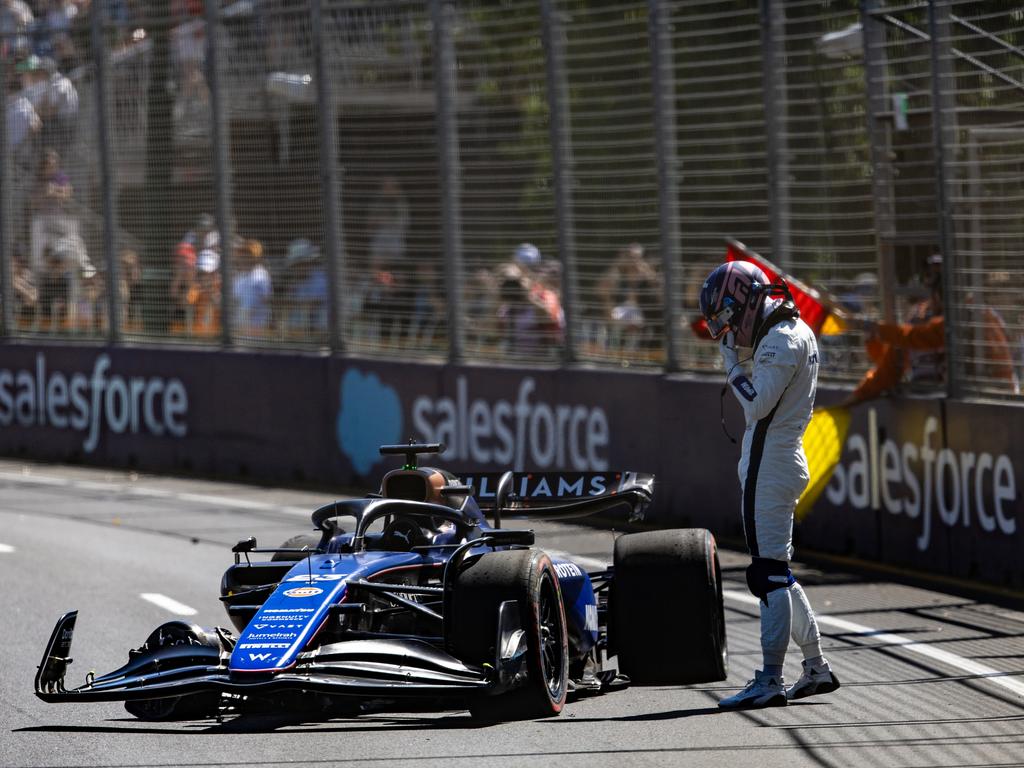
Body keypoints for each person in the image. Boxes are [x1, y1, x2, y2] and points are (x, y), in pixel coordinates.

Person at [699, 260, 840, 710]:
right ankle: (816, 666)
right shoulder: (793, 331)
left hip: (771, 463)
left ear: (744, 302)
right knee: (778, 571)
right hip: (779, 459)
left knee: (767, 575)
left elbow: (757, 403)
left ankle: (770, 678)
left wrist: (729, 364)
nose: (729, 333)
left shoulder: (780, 339)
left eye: (726, 319)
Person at [843, 253, 1019, 405]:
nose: (941, 290)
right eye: (935, 282)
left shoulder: (976, 315)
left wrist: (876, 328)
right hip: (929, 405)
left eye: (944, 281)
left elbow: (921, 336)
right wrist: (859, 395)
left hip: (989, 401)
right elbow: (891, 364)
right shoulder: (918, 316)